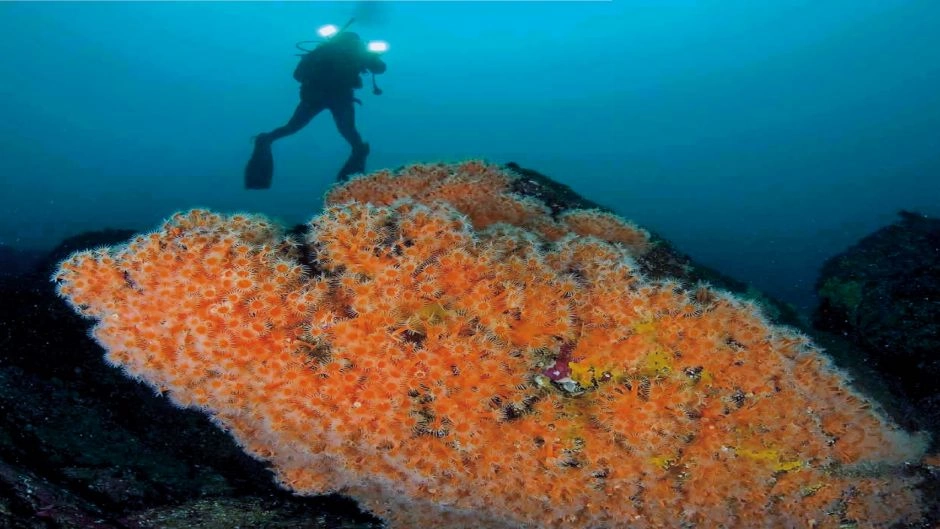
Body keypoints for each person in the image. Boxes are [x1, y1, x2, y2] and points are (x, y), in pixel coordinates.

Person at [245, 30, 387, 189]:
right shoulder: (357, 53)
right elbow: (380, 68)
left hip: (315, 97)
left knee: (292, 127)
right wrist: (372, 55)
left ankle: (265, 140)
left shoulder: (323, 50)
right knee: (350, 133)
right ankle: (354, 166)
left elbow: (297, 75)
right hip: (339, 97)